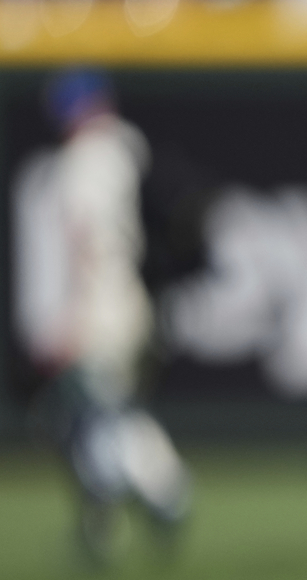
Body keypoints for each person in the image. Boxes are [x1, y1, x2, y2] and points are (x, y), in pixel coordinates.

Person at [11, 69, 190, 562]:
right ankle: (109, 520)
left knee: (100, 415)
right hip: (132, 298)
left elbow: (83, 242)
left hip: (99, 303)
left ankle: (163, 487)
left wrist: (71, 317)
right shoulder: (127, 148)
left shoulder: (82, 161)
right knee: (105, 411)